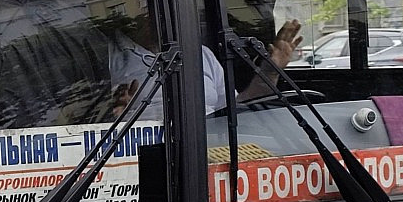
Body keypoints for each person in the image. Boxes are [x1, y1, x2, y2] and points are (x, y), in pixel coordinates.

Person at [109, 18, 302, 119]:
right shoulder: (112, 58)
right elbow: (99, 122)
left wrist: (269, 71)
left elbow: (236, 110)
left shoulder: (201, 54)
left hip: (212, 150)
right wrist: (117, 116)